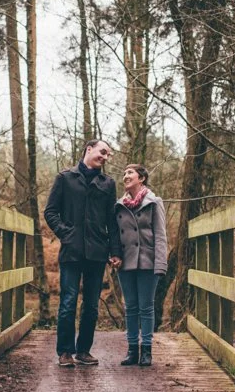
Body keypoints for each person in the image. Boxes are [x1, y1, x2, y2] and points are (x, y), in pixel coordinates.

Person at [44, 139, 123, 367]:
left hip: (97, 253)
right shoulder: (65, 178)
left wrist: (115, 250)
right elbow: (50, 212)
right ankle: (65, 352)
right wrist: (65, 233)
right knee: (68, 302)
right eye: (102, 152)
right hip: (71, 251)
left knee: (91, 305)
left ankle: (84, 351)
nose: (105, 157)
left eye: (108, 154)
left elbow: (112, 220)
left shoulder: (107, 184)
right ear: (89, 149)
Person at [113, 163, 168, 367]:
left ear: (141, 178)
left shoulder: (154, 202)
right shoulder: (119, 205)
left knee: (146, 307)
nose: (125, 176)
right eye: (124, 172)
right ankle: (131, 351)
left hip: (148, 261)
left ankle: (146, 351)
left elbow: (161, 235)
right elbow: (115, 236)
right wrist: (114, 255)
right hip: (125, 262)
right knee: (130, 308)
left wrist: (160, 264)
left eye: (130, 173)